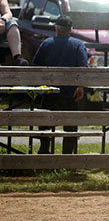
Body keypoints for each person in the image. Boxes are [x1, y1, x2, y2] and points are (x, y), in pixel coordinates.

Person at [33, 16, 88, 154]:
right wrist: (81, 87)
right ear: (70, 30)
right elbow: (83, 68)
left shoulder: (47, 43)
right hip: (70, 93)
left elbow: (37, 66)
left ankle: (44, 149)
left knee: (45, 121)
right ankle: (67, 154)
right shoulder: (78, 44)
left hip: (50, 92)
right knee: (70, 126)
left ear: (56, 28)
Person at [0, 0, 29, 65]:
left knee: (12, 23)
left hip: (1, 29)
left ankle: (17, 57)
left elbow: (8, 13)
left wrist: (3, 20)